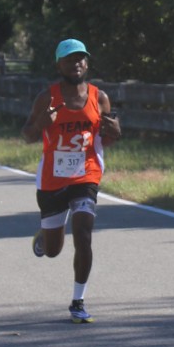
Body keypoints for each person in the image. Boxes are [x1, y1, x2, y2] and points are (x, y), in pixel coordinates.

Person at [21, 39, 120, 322]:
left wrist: (116, 132)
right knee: (53, 251)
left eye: (80, 59)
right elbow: (27, 135)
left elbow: (107, 139)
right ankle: (45, 237)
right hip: (52, 180)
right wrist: (41, 124)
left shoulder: (99, 97)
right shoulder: (47, 98)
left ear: (86, 63)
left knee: (83, 232)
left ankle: (78, 302)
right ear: (59, 65)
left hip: (86, 174)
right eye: (69, 59)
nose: (76, 64)